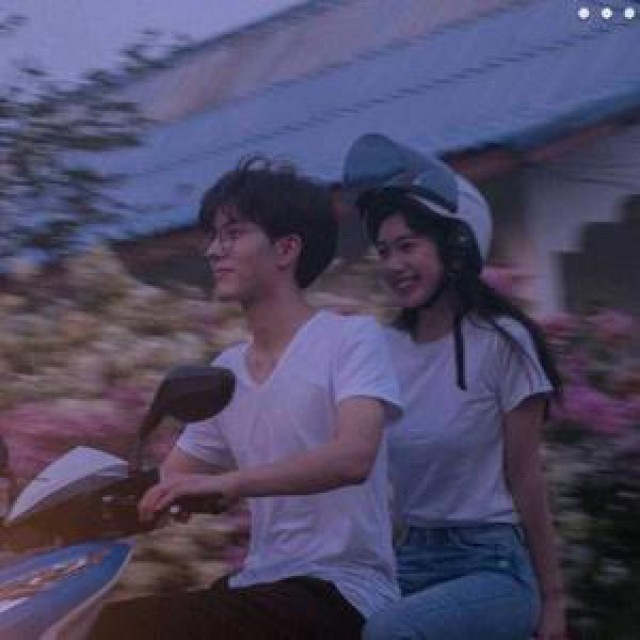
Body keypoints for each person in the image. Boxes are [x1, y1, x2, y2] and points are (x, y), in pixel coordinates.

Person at [90, 157, 403, 640]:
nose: (214, 250)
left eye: (233, 234)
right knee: (93, 622)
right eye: (214, 237)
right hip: (261, 581)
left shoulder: (351, 338)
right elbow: (175, 478)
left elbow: (353, 457)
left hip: (344, 591)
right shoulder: (226, 372)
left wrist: (232, 483)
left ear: (286, 249)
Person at [342, 134, 568, 640]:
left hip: (492, 565)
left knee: (390, 633)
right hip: (410, 556)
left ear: (455, 244)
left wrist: (553, 602)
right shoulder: (381, 349)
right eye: (384, 251)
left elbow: (526, 477)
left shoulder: (502, 343)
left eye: (408, 246)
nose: (393, 264)